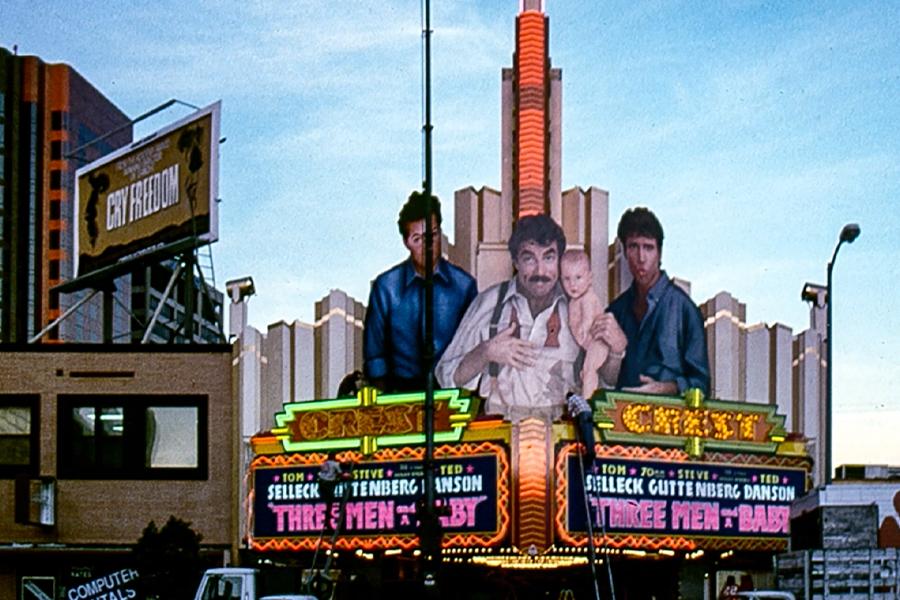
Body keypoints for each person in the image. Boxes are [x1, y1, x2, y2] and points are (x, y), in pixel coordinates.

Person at [435, 214, 583, 422]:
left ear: (560, 260)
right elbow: (446, 378)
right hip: (500, 436)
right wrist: (485, 352)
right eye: (529, 259)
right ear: (515, 261)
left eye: (548, 257)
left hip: (562, 437)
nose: (540, 271)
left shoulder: (577, 308)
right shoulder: (489, 302)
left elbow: (605, 381)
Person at [363, 191, 477, 392]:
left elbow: (474, 347)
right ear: (406, 242)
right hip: (398, 394)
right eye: (417, 239)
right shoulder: (386, 288)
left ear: (440, 232)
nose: (427, 245)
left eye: (432, 235)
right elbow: (375, 358)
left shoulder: (464, 286)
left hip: (451, 391)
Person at [603, 207, 710, 395]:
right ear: (625, 251)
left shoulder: (684, 309)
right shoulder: (616, 311)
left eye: (648, 247)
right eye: (633, 246)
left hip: (671, 420)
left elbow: (701, 384)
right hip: (621, 418)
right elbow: (606, 378)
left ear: (659, 253)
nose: (641, 258)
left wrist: (667, 388)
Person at [560, 249, 612, 397]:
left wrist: (585, 325)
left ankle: (587, 404)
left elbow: (589, 315)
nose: (572, 284)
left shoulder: (588, 297)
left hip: (599, 343)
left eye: (578, 278)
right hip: (588, 347)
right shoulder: (573, 300)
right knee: (586, 373)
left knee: (589, 371)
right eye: (566, 279)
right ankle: (588, 391)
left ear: (590, 278)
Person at [318, 452, 343, 531]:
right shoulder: (335, 464)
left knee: (328, 503)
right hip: (329, 484)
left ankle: (327, 520)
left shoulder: (324, 464)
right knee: (330, 503)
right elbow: (340, 474)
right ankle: (327, 521)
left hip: (321, 484)